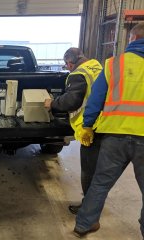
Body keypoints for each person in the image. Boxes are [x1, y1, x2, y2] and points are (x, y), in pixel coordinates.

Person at [74, 22, 144, 238]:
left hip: (113, 136)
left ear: (131, 39)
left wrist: (87, 125)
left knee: (100, 182)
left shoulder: (114, 64)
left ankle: (84, 225)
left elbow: (96, 98)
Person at [44, 47, 103, 215]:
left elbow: (71, 101)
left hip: (91, 128)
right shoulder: (97, 66)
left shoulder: (78, 74)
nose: (67, 68)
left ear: (70, 63)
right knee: (100, 171)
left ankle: (89, 209)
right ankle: (92, 206)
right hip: (107, 123)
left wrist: (53, 104)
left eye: (67, 65)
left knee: (89, 172)